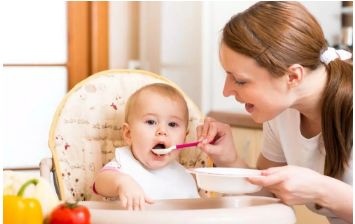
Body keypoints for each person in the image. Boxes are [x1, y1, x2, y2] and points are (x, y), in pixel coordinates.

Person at [197, 2, 352, 223]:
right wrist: (229, 159)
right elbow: (267, 192)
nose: (226, 91)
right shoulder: (282, 111)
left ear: (292, 77)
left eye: (240, 80)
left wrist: (320, 189)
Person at [94, 83, 199, 210]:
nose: (162, 131)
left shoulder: (185, 177)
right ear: (128, 134)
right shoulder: (124, 165)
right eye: (151, 122)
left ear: (184, 138)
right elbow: (99, 183)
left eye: (172, 124)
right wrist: (121, 183)